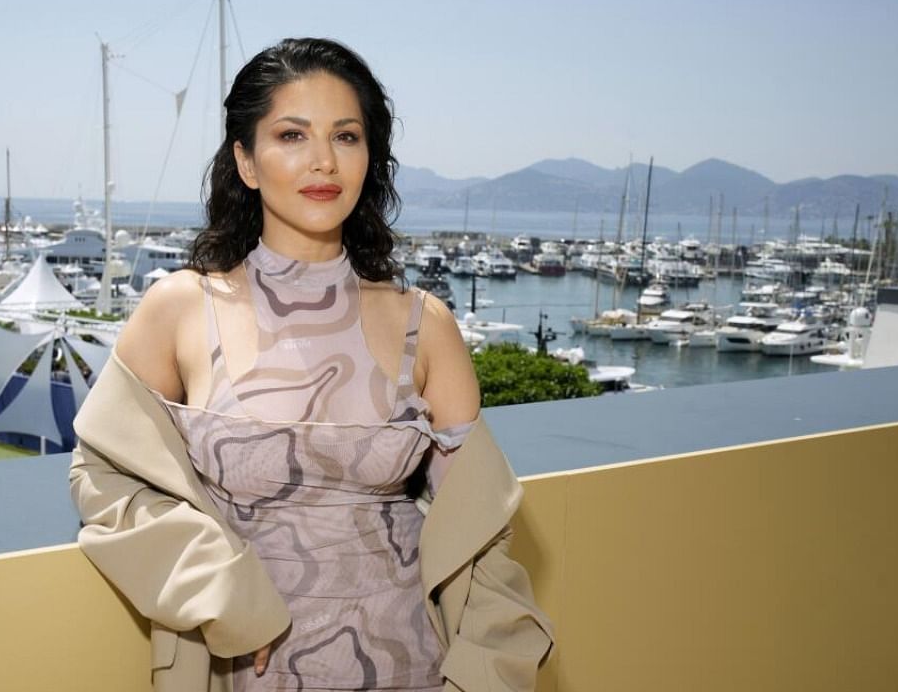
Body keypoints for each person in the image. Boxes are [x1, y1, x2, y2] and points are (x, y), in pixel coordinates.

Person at [70, 38, 551, 692]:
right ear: (245, 160)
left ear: (369, 157)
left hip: (413, 668)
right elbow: (107, 479)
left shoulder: (425, 326)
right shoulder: (180, 309)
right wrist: (222, 594)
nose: (323, 160)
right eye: (292, 135)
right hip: (243, 669)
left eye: (345, 136)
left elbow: (485, 542)